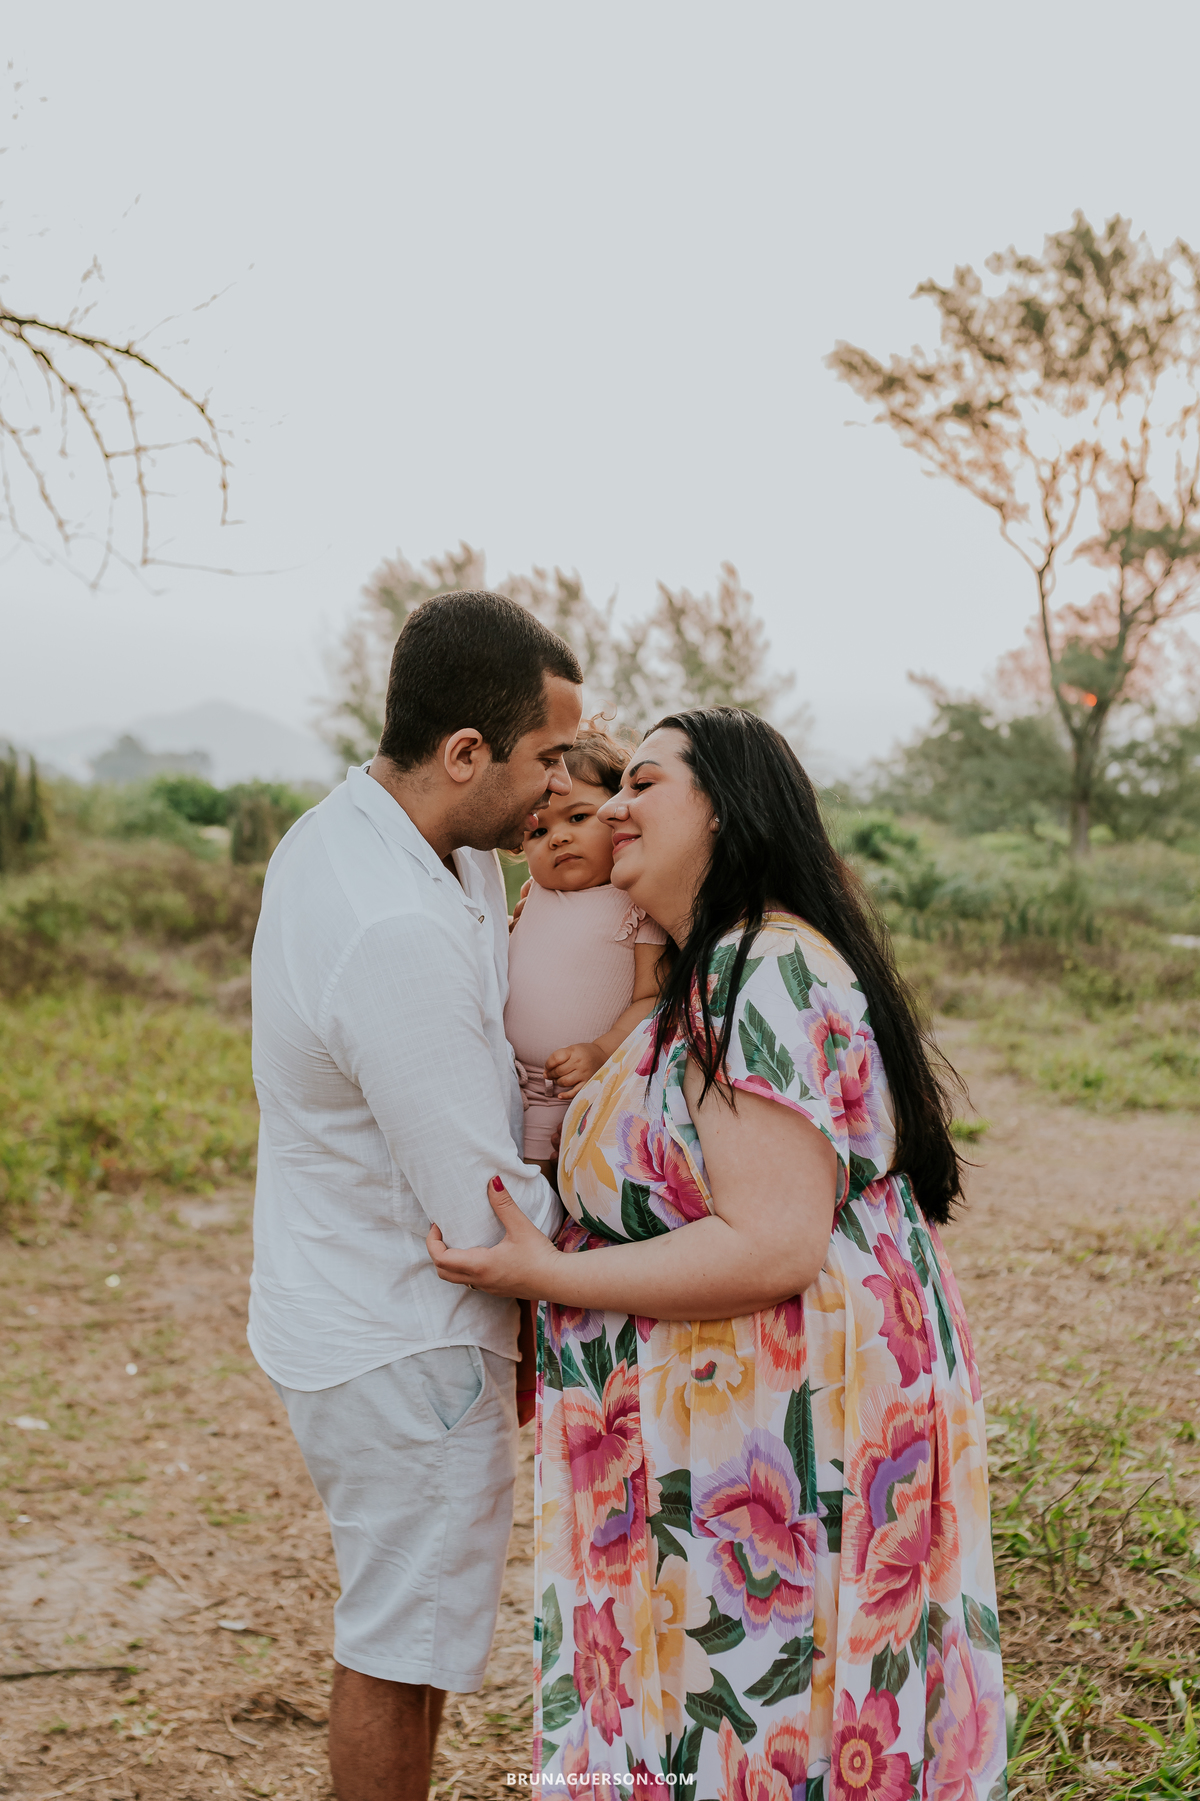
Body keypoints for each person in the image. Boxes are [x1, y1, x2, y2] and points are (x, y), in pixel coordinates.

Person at [428, 707, 1006, 1798]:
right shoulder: (709, 968)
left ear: (726, 810)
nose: (613, 805)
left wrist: (550, 1276)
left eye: (643, 783)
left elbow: (772, 1242)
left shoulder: (761, 965)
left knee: (768, 1731)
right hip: (728, 1435)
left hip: (778, 1442)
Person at [247, 591, 582, 1801]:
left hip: (364, 1298)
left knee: (418, 1633)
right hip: (401, 1337)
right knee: (400, 1648)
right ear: (466, 753)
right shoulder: (388, 920)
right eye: (548, 758)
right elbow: (484, 1203)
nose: (561, 787)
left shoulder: (395, 837)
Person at [505, 721, 668, 1183]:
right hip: (504, 1077)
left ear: (617, 816)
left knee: (542, 1190)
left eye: (578, 818)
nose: (557, 838)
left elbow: (652, 997)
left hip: (574, 1087)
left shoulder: (636, 899)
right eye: (538, 832)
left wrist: (600, 1050)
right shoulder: (534, 894)